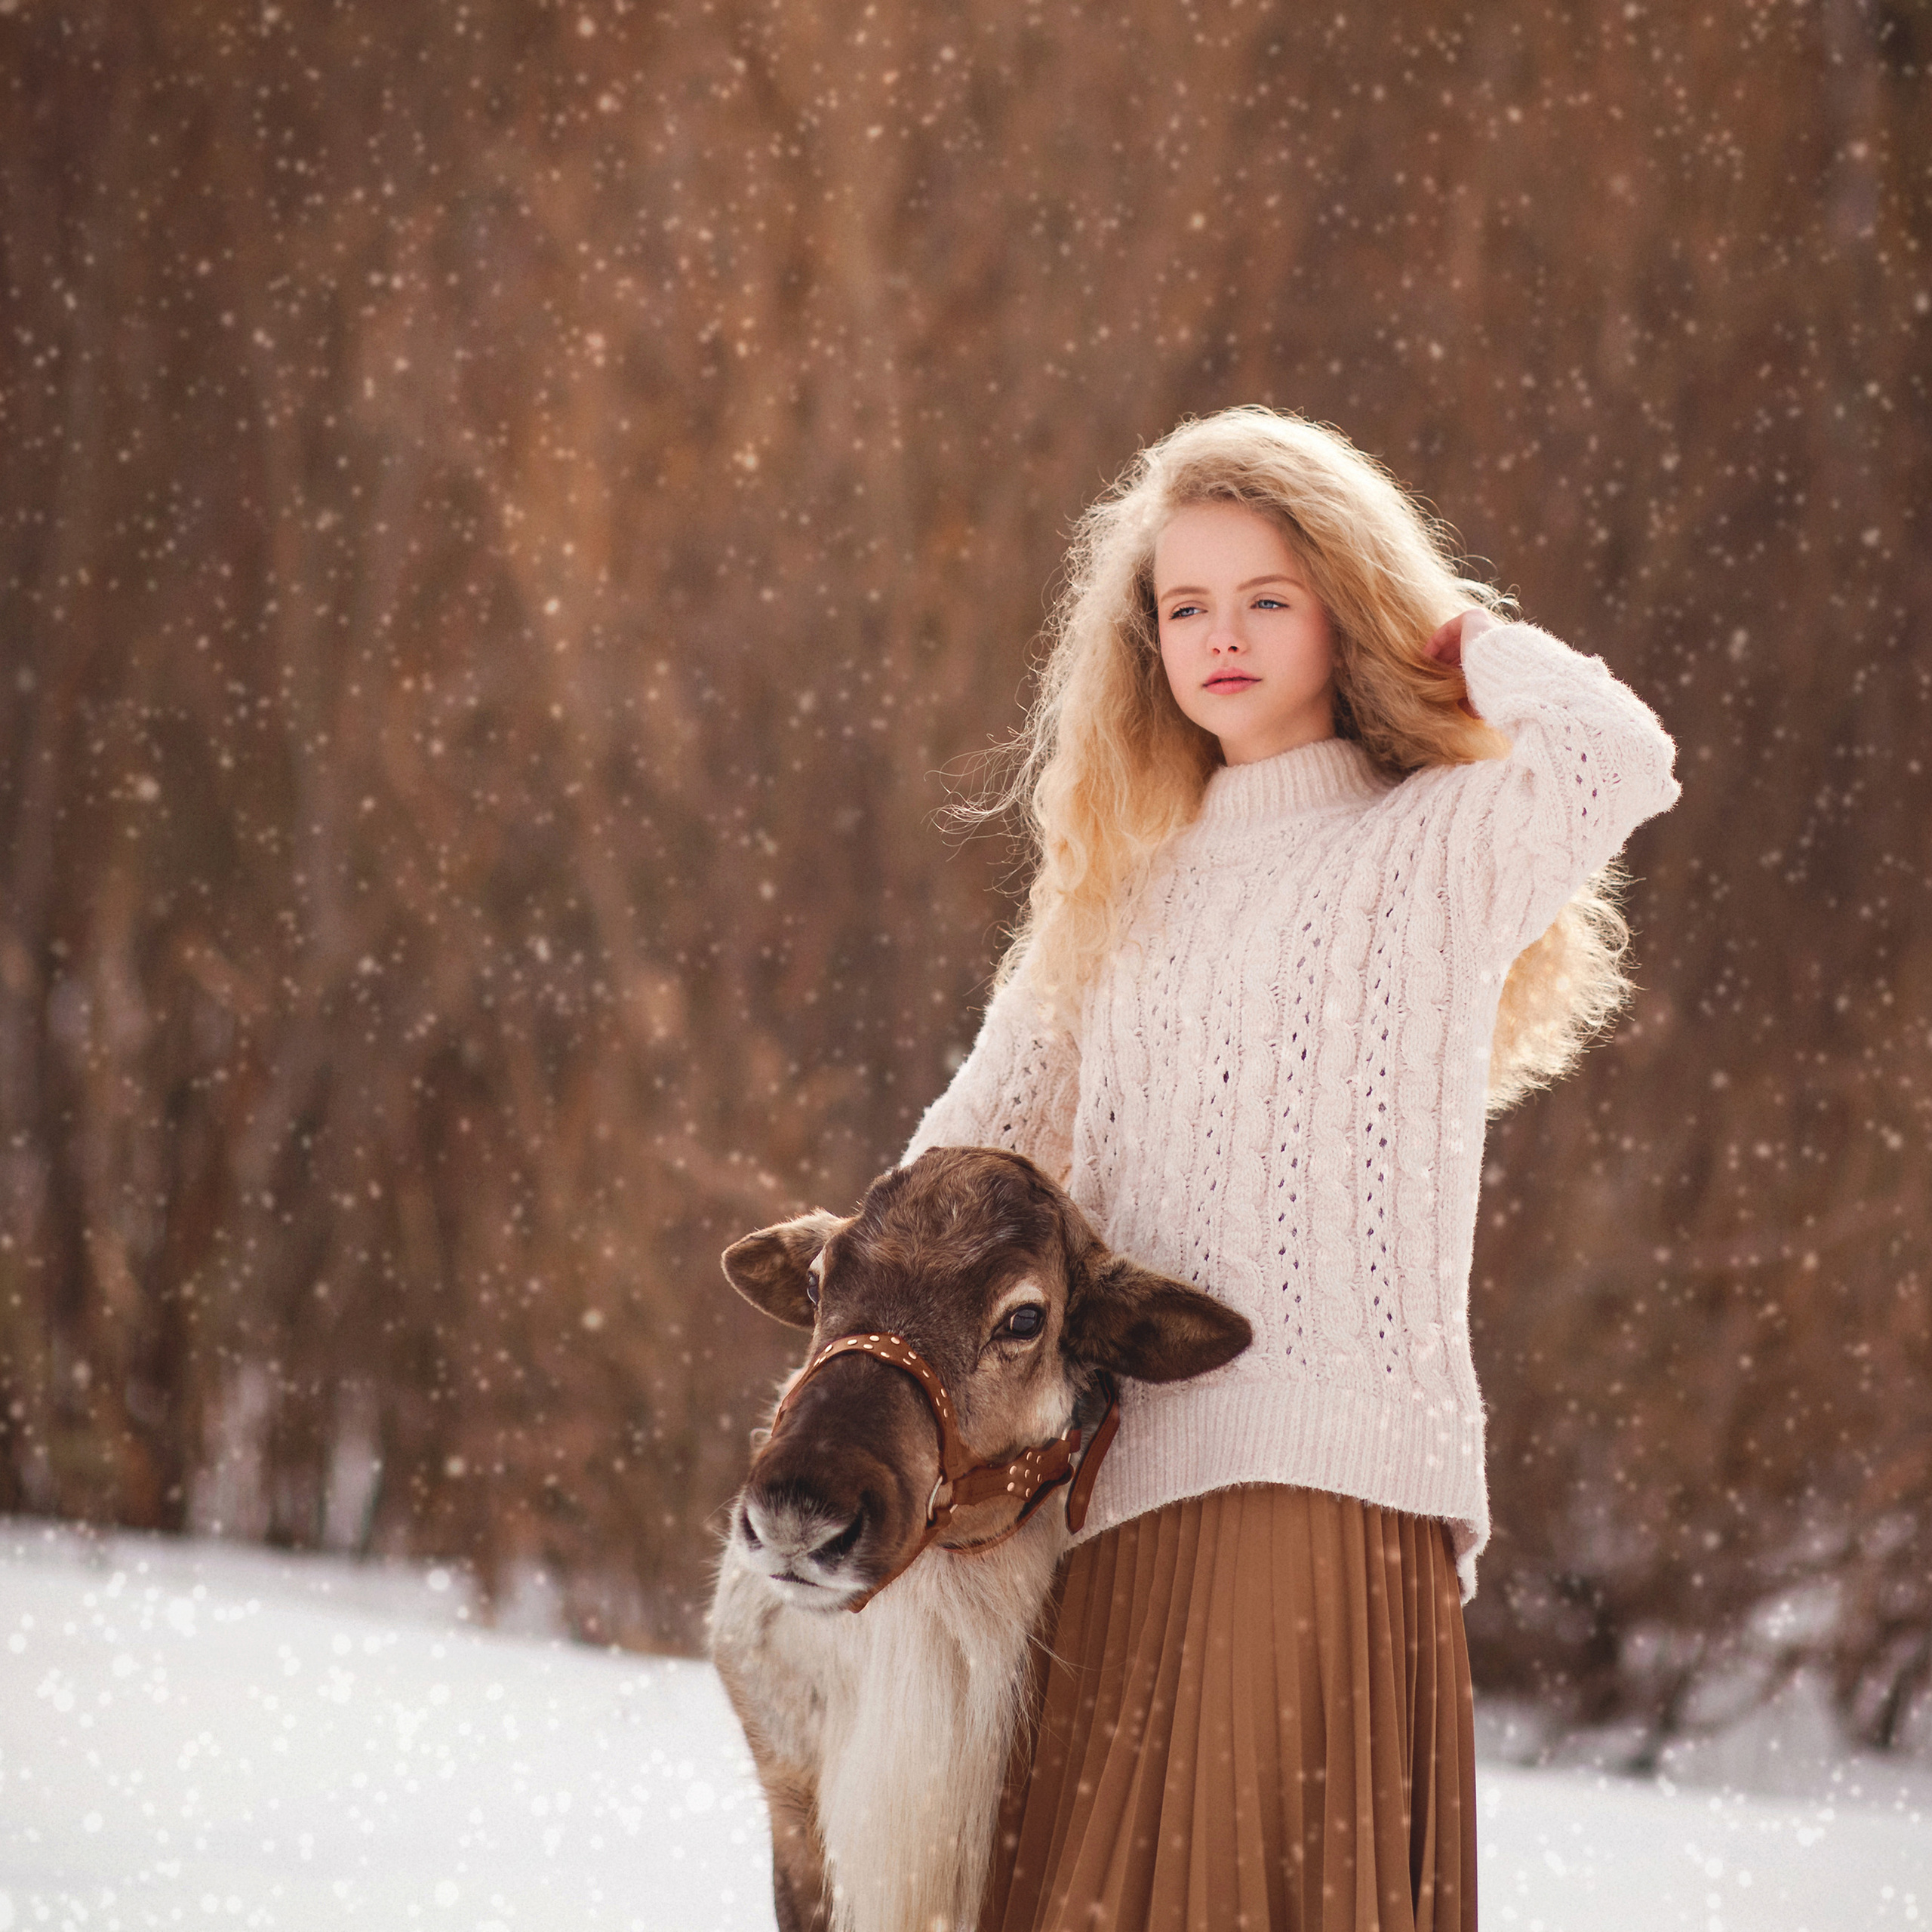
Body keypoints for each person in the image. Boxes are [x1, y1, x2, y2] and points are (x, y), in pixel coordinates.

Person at [899, 406, 1681, 1932]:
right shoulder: (1108, 893)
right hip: (1119, 1488)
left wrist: (1440, 629)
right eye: (1184, 606)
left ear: (1339, 605)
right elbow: (954, 1169)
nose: (1222, 636)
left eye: (1268, 595)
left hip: (1326, 1470)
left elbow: (1616, 754)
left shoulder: (1431, 847)